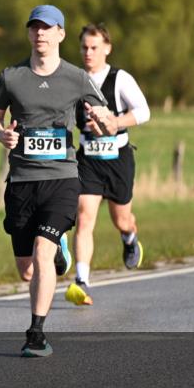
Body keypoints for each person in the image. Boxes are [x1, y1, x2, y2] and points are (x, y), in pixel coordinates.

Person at [0, 5, 116, 358]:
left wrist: (101, 119)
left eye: (48, 28)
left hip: (62, 178)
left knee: (42, 251)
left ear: (60, 34)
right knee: (27, 270)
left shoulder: (76, 77)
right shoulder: (11, 76)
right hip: (22, 181)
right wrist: (1, 135)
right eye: (35, 28)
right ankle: (57, 249)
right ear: (29, 33)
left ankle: (36, 333)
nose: (40, 33)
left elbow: (104, 118)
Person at [64, 24, 151, 306]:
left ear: (107, 48)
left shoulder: (120, 78)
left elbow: (143, 111)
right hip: (88, 159)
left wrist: (115, 122)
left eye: (94, 47)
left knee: (121, 219)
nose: (88, 53)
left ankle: (129, 238)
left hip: (118, 160)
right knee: (84, 216)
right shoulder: (74, 79)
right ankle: (81, 281)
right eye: (84, 48)